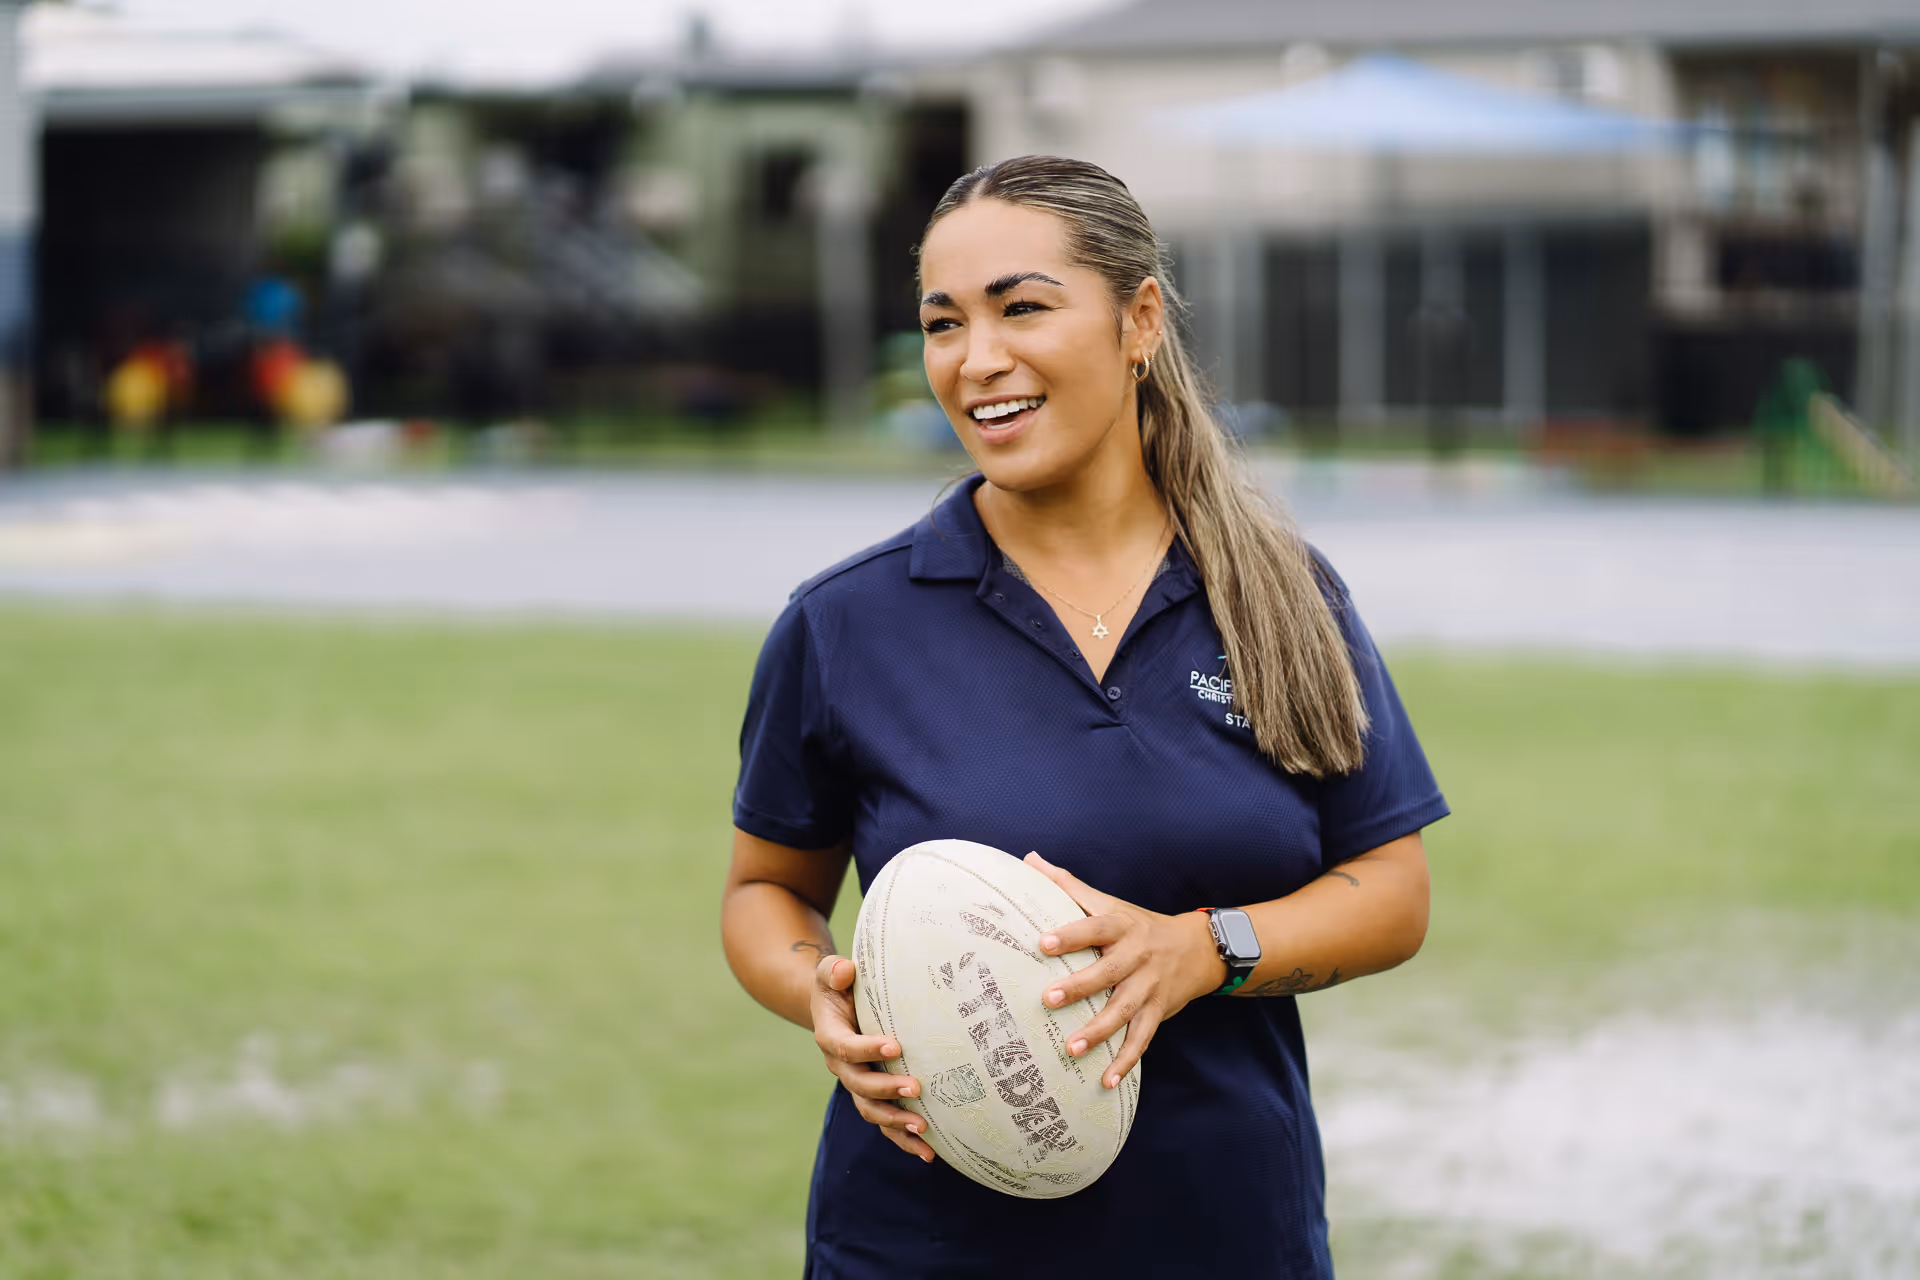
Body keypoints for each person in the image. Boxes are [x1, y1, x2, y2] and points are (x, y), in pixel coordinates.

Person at [721, 154, 1448, 1278]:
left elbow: (1392, 892)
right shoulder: (844, 624)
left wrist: (1206, 948)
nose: (979, 361)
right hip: (920, 1247)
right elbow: (766, 890)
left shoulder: (1283, 596)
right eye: (943, 323)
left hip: (1227, 1238)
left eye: (1022, 308)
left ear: (1138, 319)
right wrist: (818, 992)